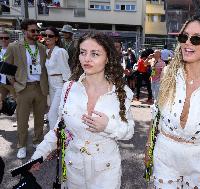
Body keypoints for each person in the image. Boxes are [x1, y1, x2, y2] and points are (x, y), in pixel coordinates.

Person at [30, 33, 135, 188]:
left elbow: (128, 132)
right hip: (74, 170)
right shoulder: (69, 88)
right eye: (83, 52)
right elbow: (59, 130)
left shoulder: (121, 92)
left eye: (95, 54)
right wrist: (39, 155)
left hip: (106, 172)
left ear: (107, 58)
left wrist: (108, 126)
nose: (87, 58)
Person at [144, 15, 200, 189]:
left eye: (196, 39)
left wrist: (193, 135)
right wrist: (149, 146)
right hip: (165, 152)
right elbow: (156, 113)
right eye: (184, 37)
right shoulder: (168, 73)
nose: (187, 43)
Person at [5, 19, 48, 159]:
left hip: (39, 88)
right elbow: (7, 69)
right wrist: (15, 87)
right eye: (33, 31)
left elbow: (44, 69)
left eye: (37, 30)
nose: (36, 33)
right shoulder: (14, 46)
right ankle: (22, 145)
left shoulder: (42, 48)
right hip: (23, 88)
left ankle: (37, 141)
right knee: (22, 120)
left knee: (39, 119)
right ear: (25, 31)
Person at [43, 27, 70, 130]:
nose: (47, 37)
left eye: (50, 36)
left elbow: (66, 72)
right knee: (56, 114)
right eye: (45, 35)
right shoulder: (47, 51)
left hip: (60, 85)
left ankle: (54, 139)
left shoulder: (60, 51)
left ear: (56, 38)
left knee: (52, 114)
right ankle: (58, 140)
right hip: (51, 84)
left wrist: (66, 90)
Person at [0, 30, 16, 105]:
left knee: (19, 103)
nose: (3, 40)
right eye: (1, 38)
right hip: (1, 82)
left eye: (6, 38)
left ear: (9, 39)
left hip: (12, 82)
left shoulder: (14, 50)